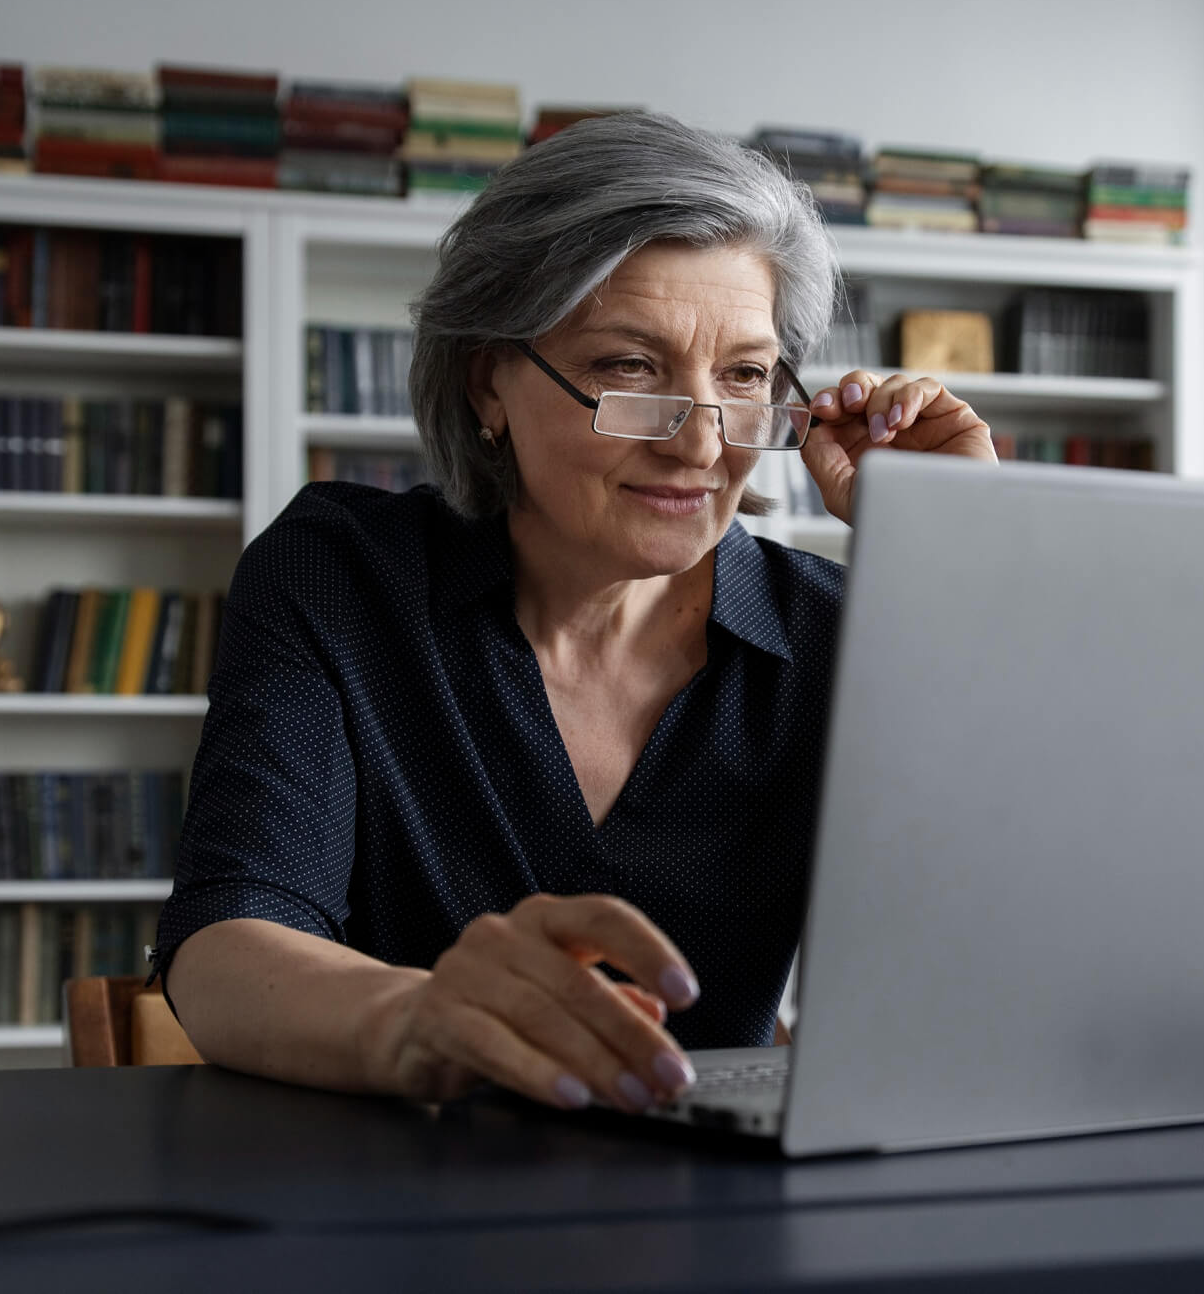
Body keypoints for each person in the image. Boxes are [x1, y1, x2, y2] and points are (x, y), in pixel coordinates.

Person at [152, 112, 995, 1115]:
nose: (699, 445)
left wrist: (961, 563)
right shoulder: (337, 576)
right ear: (488, 385)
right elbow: (225, 944)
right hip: (393, 1192)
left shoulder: (837, 632)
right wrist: (419, 1021)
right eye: (627, 369)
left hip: (718, 1222)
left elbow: (990, 956)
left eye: (740, 376)